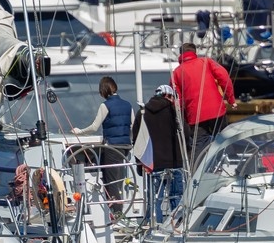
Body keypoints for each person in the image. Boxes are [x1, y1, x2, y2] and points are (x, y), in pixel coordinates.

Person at [71, 76, 133, 217]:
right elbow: (133, 125)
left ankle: (117, 212)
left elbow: (94, 127)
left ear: (103, 91)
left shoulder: (105, 106)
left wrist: (79, 131)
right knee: (118, 177)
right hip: (125, 147)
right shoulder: (128, 105)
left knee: (109, 179)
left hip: (112, 146)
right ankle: (118, 208)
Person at [170, 42, 237, 165]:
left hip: (195, 115)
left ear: (181, 55)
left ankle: (196, 172)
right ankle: (233, 165)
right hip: (216, 110)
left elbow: (177, 99)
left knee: (199, 145)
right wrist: (230, 99)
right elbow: (224, 77)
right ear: (194, 53)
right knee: (224, 137)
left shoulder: (176, 73)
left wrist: (182, 117)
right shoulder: (206, 62)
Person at [132, 84, 184, 223]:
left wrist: (139, 166)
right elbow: (186, 134)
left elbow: (136, 140)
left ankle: (155, 227)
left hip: (152, 163)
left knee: (154, 199)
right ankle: (177, 226)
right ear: (169, 96)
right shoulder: (174, 112)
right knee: (176, 197)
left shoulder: (142, 113)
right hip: (175, 161)